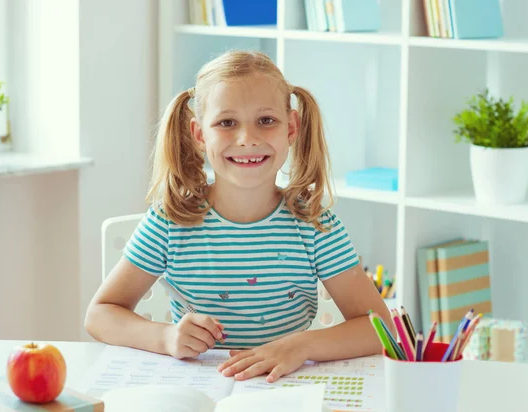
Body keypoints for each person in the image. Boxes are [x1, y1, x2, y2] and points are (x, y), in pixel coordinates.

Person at [84, 50, 395, 383]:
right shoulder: (170, 221)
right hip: (201, 390)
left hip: (286, 389)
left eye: (266, 120)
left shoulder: (315, 224)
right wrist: (166, 337)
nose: (247, 139)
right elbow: (100, 315)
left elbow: (381, 330)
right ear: (200, 134)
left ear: (291, 127)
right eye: (226, 123)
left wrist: (301, 346)